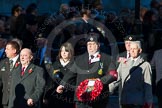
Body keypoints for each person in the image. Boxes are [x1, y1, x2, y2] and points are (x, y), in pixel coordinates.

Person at [56, 33, 117, 108]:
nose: (90, 46)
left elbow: (112, 75)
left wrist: (99, 81)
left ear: (98, 45)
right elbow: (71, 73)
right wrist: (62, 84)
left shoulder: (107, 58)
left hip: (98, 99)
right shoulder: (79, 59)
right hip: (81, 98)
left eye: (92, 44)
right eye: (88, 44)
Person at [109, 41, 153, 108]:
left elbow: (148, 85)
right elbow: (116, 79)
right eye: (130, 49)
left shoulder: (145, 65)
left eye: (134, 49)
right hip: (125, 100)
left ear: (140, 50)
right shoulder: (123, 63)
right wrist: (107, 90)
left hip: (137, 101)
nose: (132, 51)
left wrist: (149, 101)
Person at [43, 42, 75, 108]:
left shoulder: (75, 65)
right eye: (62, 51)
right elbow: (49, 82)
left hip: (69, 97)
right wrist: (46, 96)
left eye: (66, 51)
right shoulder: (55, 64)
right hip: (54, 97)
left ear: (71, 52)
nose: (63, 53)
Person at [0, 41, 20, 108]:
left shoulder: (23, 62)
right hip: (5, 100)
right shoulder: (2, 62)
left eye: (7, 49)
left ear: (14, 50)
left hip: (18, 100)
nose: (5, 51)